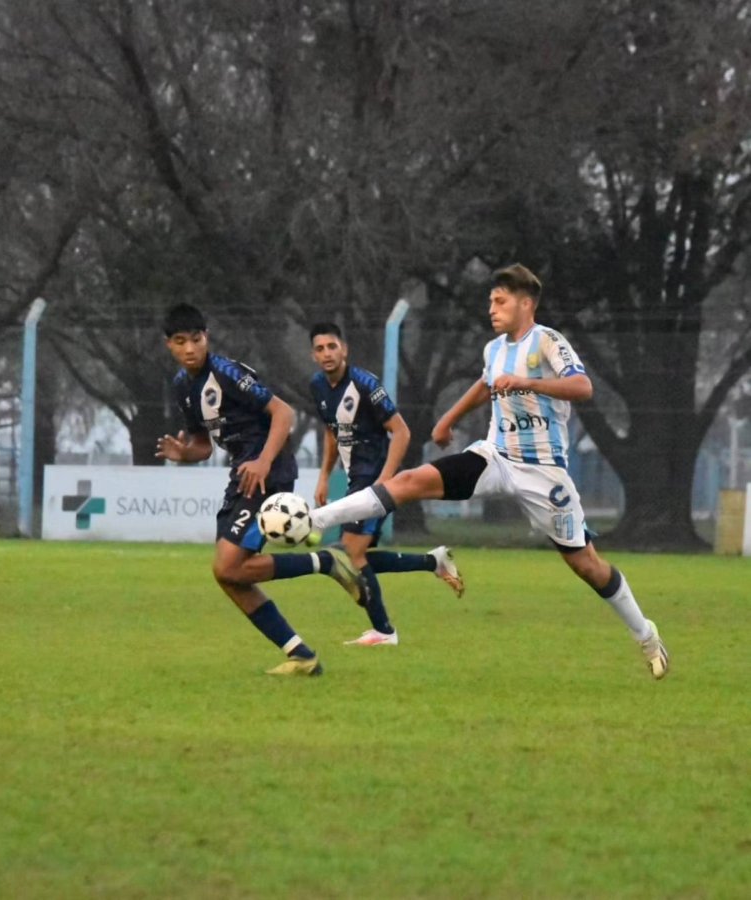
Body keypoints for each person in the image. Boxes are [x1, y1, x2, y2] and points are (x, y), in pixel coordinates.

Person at [307, 264, 669, 679]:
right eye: (490, 301)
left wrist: (529, 383)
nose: (492, 308)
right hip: (494, 457)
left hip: (543, 473)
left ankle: (646, 634)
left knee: (587, 565)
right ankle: (314, 518)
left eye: (501, 301)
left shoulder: (547, 341)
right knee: (408, 482)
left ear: (526, 304)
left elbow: (582, 387)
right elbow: (486, 383)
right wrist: (448, 418)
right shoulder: (494, 348)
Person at [156, 303, 367, 678]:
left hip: (267, 470)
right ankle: (301, 654)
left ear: (207, 338)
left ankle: (327, 563)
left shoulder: (225, 372)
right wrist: (185, 453)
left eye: (196, 339)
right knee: (228, 574)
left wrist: (264, 461)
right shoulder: (182, 387)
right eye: (180, 341)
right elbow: (203, 444)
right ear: (169, 345)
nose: (190, 348)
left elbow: (283, 414)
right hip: (244, 473)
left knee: (227, 566)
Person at [307, 322, 465, 647]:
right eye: (320, 348)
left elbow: (401, 431)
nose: (327, 353)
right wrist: (323, 475)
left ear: (344, 349)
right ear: (313, 354)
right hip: (355, 480)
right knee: (352, 554)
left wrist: (384, 481)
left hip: (374, 478)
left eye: (332, 346)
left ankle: (385, 631)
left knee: (349, 553)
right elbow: (330, 432)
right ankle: (433, 562)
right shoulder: (318, 386)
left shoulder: (365, 384)